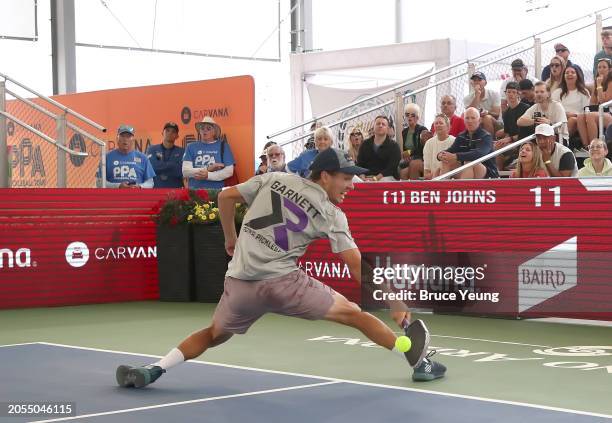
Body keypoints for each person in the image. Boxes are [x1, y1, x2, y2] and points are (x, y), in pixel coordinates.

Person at [115, 148, 447, 388]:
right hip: (284, 284)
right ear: (325, 175)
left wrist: (230, 239)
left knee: (214, 335)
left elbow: (225, 198)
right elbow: (356, 265)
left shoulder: (273, 178)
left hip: (241, 285)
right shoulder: (332, 215)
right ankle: (415, 357)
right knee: (354, 314)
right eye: (346, 178)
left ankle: (155, 369)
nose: (352, 185)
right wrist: (394, 301)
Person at [437, 107, 499, 179]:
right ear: (464, 120)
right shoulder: (461, 136)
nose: (470, 121)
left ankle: (462, 189)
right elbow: (451, 150)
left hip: (489, 174)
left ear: (479, 121)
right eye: (467, 118)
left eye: (473, 118)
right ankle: (444, 188)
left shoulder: (486, 136)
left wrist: (456, 156)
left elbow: (479, 154)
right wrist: (440, 155)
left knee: (469, 162)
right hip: (469, 171)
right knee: (446, 160)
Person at [182, 116, 235, 189]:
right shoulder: (191, 147)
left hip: (216, 192)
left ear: (214, 131)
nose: (205, 130)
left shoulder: (223, 146)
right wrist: (207, 169)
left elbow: (229, 171)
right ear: (199, 131)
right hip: (194, 193)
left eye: (208, 128)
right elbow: (185, 171)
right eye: (202, 128)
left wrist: (208, 175)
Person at [551, 65, 591, 146]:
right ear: (564, 76)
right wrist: (565, 114)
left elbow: (586, 111)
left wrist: (574, 115)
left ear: (577, 75)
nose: (569, 74)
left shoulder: (584, 92)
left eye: (573, 72)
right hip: (559, 120)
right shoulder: (557, 92)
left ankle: (560, 142)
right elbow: (552, 109)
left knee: (573, 119)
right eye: (567, 73)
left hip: (578, 120)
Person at [495, 82, 531, 171]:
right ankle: (499, 173)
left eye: (513, 92)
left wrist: (509, 139)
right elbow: (507, 132)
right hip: (513, 142)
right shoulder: (506, 113)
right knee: (496, 146)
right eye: (509, 92)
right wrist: (503, 141)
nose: (511, 94)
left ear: (518, 94)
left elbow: (526, 133)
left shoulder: (525, 108)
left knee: (498, 148)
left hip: (524, 141)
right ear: (505, 93)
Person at [577, 58, 612, 146]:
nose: (601, 69)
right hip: (600, 111)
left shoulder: (610, 82)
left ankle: (595, 146)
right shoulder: (597, 82)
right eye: (599, 67)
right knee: (580, 117)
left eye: (604, 67)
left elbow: (603, 101)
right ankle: (587, 146)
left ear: (610, 69)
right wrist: (597, 85)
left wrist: (599, 85)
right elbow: (592, 103)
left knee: (590, 116)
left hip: (609, 113)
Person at [357, 115, 401, 181]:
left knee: (383, 181)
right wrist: (362, 176)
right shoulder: (365, 144)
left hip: (385, 177)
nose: (380, 126)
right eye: (378, 124)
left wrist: (375, 178)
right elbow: (360, 164)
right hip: (366, 177)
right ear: (373, 127)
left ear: (387, 129)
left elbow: (392, 168)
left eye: (383, 124)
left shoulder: (394, 146)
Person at [146, 122, 184, 188]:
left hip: (176, 191)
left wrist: (162, 165)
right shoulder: (153, 149)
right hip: (156, 190)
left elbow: (180, 171)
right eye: (167, 130)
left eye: (173, 131)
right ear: (162, 133)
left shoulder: (182, 151)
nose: (170, 133)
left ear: (177, 136)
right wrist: (173, 165)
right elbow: (153, 168)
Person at [463, 71, 501, 136]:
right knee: (470, 120)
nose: (477, 82)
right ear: (472, 84)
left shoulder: (494, 94)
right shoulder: (467, 98)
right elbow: (469, 113)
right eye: (475, 80)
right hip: (478, 123)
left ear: (485, 83)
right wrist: (477, 95)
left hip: (496, 123)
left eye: (479, 80)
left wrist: (487, 113)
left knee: (487, 118)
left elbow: (496, 114)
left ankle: (489, 142)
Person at [399, 103, 427, 180]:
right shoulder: (404, 132)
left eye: (413, 115)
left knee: (412, 165)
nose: (409, 117)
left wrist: (409, 153)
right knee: (402, 172)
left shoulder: (422, 129)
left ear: (417, 117)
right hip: (410, 159)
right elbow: (405, 150)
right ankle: (405, 191)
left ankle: (415, 189)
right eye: (407, 114)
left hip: (420, 158)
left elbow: (422, 149)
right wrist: (405, 154)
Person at [423, 114, 455, 179]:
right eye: (436, 123)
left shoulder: (454, 141)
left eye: (441, 123)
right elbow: (426, 173)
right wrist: (436, 176)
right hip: (433, 179)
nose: (438, 125)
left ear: (448, 126)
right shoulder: (429, 143)